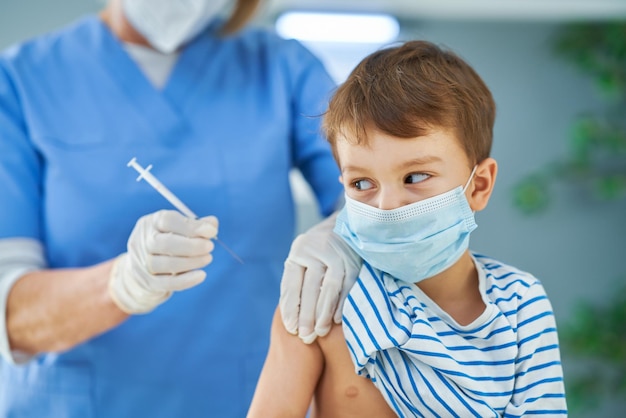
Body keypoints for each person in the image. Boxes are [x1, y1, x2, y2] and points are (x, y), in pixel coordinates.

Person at [0, 0, 360, 416]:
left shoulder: (280, 67)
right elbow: (12, 316)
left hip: (237, 400)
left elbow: (372, 183)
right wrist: (122, 284)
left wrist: (347, 234)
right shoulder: (22, 80)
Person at [248, 40, 568, 417]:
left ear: (478, 186)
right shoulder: (320, 303)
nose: (387, 207)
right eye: (362, 183)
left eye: (415, 176)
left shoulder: (520, 304)